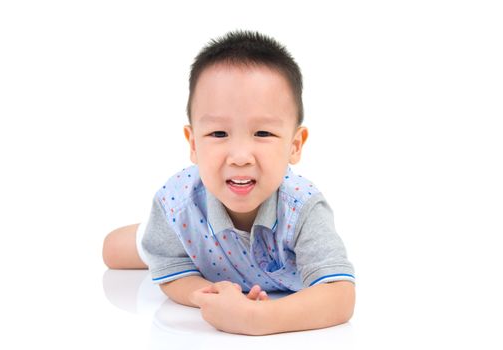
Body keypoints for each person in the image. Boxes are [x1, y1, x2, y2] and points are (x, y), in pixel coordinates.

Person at [102, 30, 355, 335]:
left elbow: (340, 296)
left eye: (262, 133)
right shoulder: (177, 205)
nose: (239, 156)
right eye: (219, 134)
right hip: (191, 240)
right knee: (113, 251)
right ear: (193, 143)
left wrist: (259, 318)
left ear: (295, 145)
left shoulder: (303, 209)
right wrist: (201, 291)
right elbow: (170, 268)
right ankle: (143, 234)